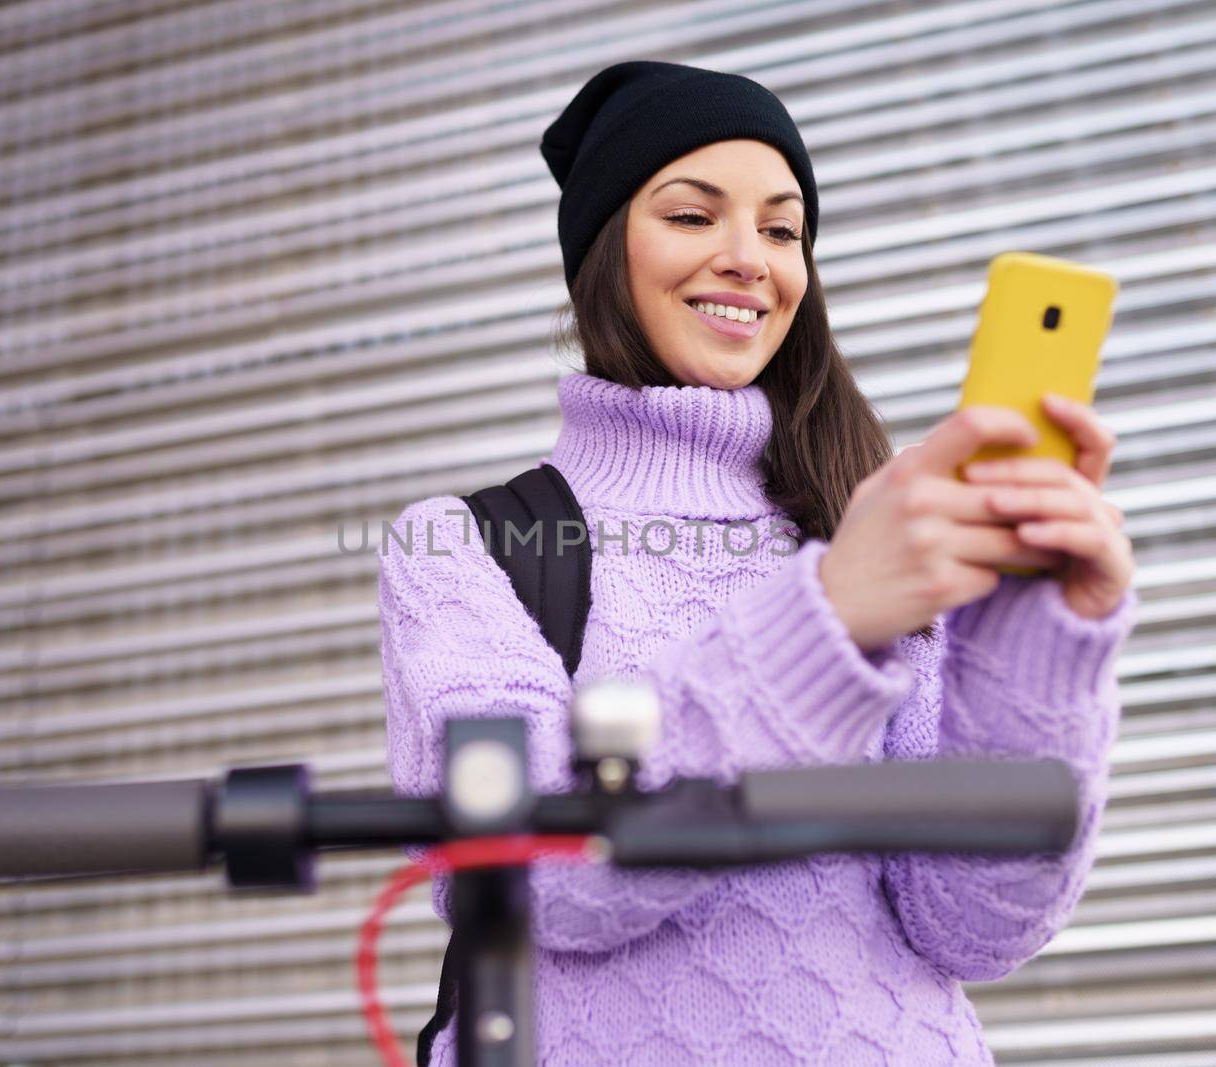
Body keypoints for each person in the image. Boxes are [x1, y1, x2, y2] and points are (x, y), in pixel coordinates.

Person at [377, 60, 1137, 1067]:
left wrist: (1041, 634)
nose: (749, 258)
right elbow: (531, 880)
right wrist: (824, 619)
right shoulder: (464, 542)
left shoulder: (866, 525)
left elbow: (975, 925)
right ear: (604, 249)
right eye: (692, 216)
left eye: (781, 230)